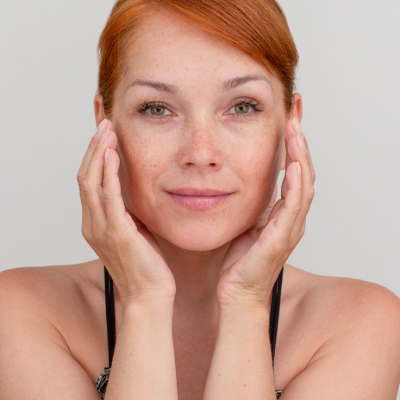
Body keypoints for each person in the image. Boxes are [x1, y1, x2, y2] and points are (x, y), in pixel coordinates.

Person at [1, 0, 400, 399]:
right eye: (157, 109)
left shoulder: (362, 323)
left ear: (289, 125)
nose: (200, 152)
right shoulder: (19, 313)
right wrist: (145, 301)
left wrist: (246, 303)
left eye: (243, 107)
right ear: (105, 124)